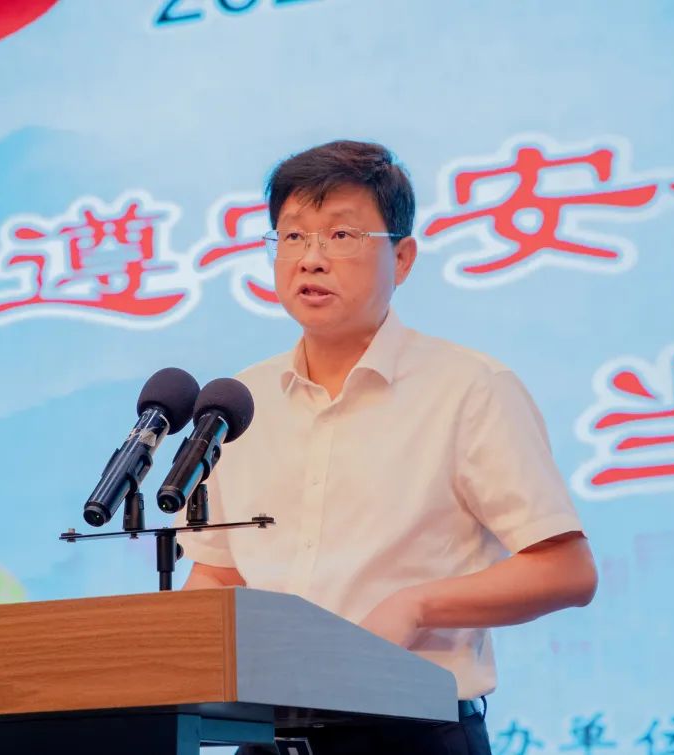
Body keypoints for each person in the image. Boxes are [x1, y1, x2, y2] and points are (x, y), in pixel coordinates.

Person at [178, 140, 598, 755]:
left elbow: (567, 570)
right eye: (292, 236)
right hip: (268, 735)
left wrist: (417, 605)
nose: (311, 259)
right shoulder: (238, 402)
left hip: (410, 732)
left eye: (341, 236)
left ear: (402, 258)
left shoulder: (468, 388)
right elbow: (219, 572)